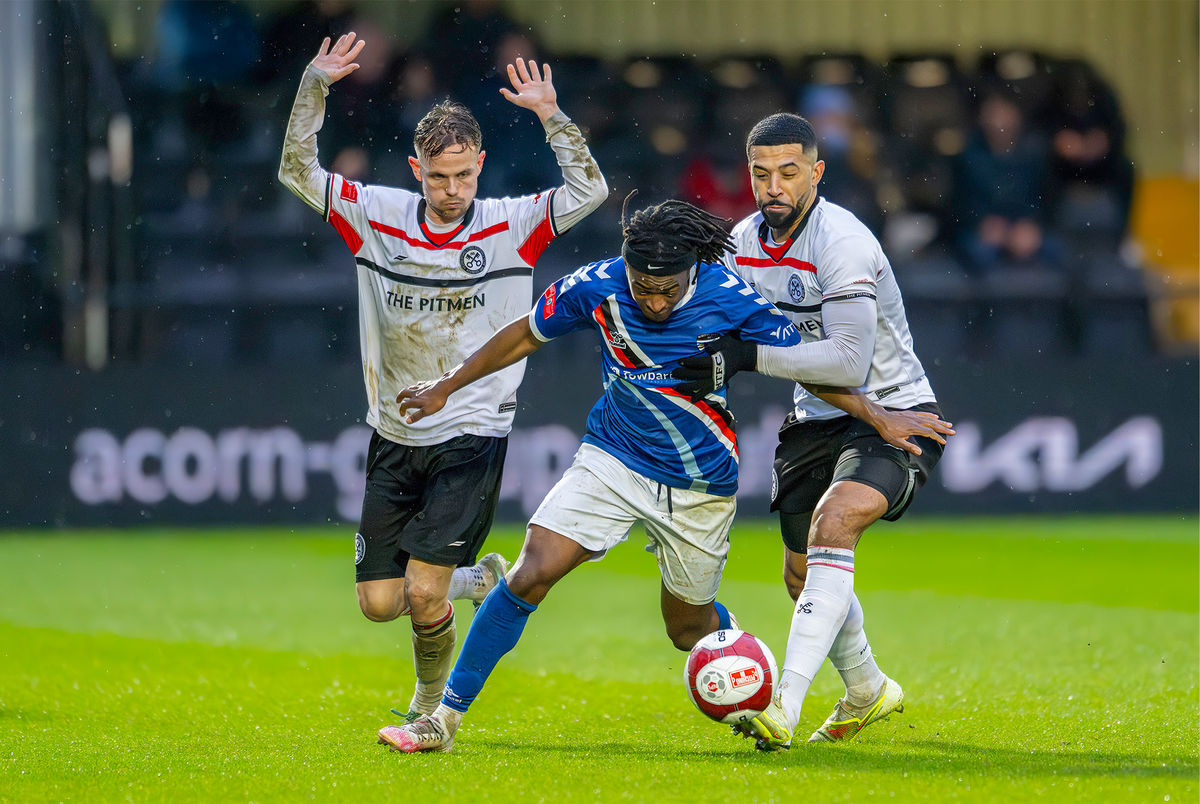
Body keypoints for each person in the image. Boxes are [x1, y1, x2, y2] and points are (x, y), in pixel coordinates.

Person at [377, 198, 953, 754]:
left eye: (667, 290)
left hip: (698, 483)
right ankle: (441, 718)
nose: (653, 301)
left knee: (688, 629)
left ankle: (744, 660)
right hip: (612, 457)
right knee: (532, 572)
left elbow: (810, 366)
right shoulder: (597, 285)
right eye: (642, 287)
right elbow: (526, 332)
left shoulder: (733, 300)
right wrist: (445, 385)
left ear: (692, 272)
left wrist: (877, 414)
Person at [277, 32, 608, 724]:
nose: (452, 191)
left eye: (464, 176)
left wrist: (552, 115)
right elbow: (297, 171)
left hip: (471, 434)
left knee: (422, 599)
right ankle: (473, 578)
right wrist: (313, 87)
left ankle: (431, 706)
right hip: (394, 432)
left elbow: (591, 189)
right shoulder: (377, 216)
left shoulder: (512, 225)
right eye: (438, 177)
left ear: (481, 165)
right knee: (378, 604)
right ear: (415, 169)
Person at [672, 113, 949, 749]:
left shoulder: (842, 242)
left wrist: (745, 356)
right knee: (803, 574)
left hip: (898, 412)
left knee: (836, 522)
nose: (775, 186)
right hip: (817, 416)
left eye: (789, 173)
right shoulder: (740, 245)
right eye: (762, 174)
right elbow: (725, 334)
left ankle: (785, 707)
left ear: (816, 174)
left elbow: (850, 361)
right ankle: (867, 688)